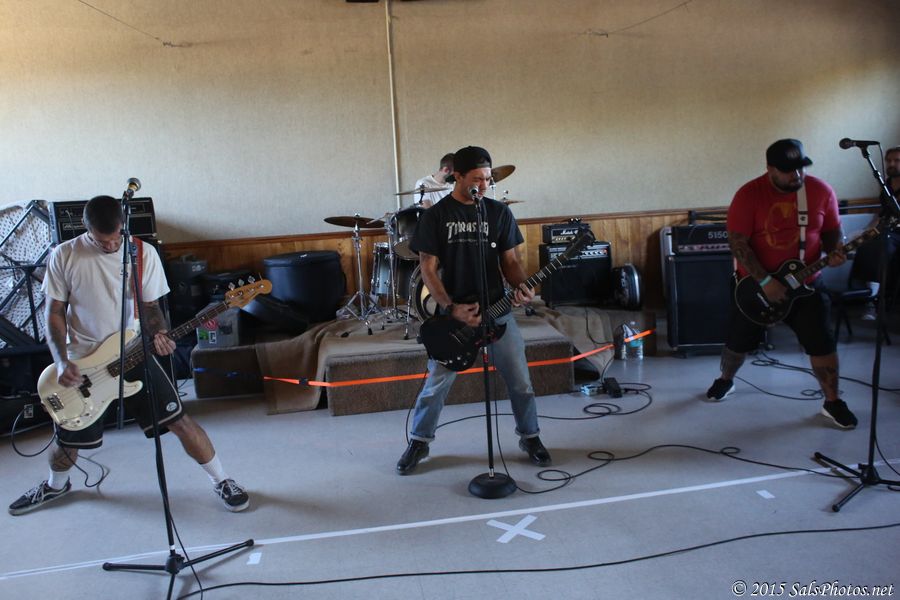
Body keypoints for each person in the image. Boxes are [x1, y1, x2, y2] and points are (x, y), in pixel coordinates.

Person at [9, 196, 250, 515]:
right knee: (68, 440)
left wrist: (159, 333)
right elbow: (54, 312)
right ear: (86, 228)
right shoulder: (65, 255)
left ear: (123, 226)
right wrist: (61, 360)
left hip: (132, 352)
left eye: (115, 239)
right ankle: (56, 485)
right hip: (81, 363)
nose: (111, 246)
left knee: (180, 421)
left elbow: (150, 307)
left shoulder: (142, 253)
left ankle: (222, 479)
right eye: (102, 241)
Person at [396, 145, 551, 474]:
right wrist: (450, 307)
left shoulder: (498, 213)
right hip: (454, 315)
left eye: (487, 179)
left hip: (498, 310)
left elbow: (511, 262)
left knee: (521, 381)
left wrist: (522, 286)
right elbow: (427, 268)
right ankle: (419, 442)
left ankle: (530, 436)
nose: (483, 185)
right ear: (457, 176)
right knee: (436, 385)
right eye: (477, 179)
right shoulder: (436, 216)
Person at [705, 139, 858, 429]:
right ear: (770, 169)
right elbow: (738, 244)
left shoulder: (821, 191)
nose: (796, 175)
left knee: (822, 343)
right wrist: (765, 281)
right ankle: (726, 380)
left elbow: (831, 233)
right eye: (788, 171)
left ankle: (832, 401)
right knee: (737, 342)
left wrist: (836, 251)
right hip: (754, 287)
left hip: (808, 284)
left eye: (800, 168)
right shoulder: (749, 195)